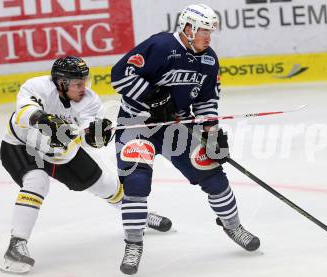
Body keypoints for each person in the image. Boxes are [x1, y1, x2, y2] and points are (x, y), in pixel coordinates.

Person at [111, 4, 260, 275]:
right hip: (137, 126)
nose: (208, 37)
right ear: (189, 28)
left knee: (213, 174)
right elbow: (120, 76)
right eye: (204, 31)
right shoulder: (161, 45)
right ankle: (133, 243)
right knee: (136, 181)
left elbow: (206, 101)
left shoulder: (209, 59)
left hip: (175, 129)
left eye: (210, 32)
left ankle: (233, 226)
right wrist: (153, 97)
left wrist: (211, 134)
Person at [0, 56, 172, 274]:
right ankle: (16, 245)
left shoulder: (90, 100)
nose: (84, 87)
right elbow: (24, 112)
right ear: (61, 83)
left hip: (61, 153)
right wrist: (45, 120)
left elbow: (89, 135)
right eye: (78, 83)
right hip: (22, 146)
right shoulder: (36, 86)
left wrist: (96, 134)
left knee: (108, 185)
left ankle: (138, 215)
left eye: (85, 81)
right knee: (37, 181)